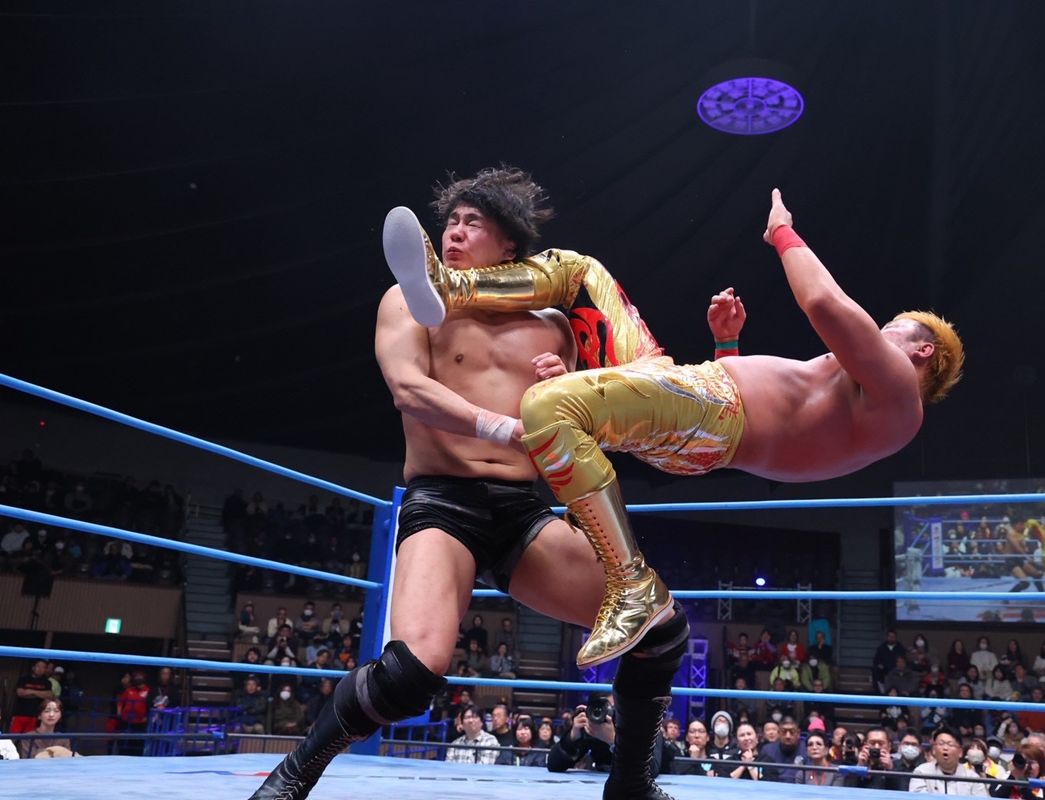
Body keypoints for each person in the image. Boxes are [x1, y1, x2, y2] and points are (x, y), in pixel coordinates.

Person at [250, 167, 692, 800]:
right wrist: (504, 427)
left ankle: (631, 785)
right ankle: (292, 777)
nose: (453, 233)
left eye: (471, 223)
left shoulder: (555, 325)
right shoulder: (413, 298)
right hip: (442, 500)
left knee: (660, 628)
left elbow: (584, 432)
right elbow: (408, 389)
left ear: (509, 244)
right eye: (450, 222)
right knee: (410, 674)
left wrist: (562, 388)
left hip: (522, 510)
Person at [392, 187, 963, 665]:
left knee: (548, 406)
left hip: (712, 412)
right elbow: (776, 422)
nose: (879, 332)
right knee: (580, 272)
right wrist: (727, 345)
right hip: (701, 409)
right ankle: (452, 288)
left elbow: (823, 304)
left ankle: (629, 584)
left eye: (892, 328)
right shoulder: (869, 404)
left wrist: (783, 233)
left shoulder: (897, 396)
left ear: (923, 351)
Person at [910, 728, 990, 795]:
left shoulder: (972, 778)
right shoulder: (921, 772)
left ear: (960, 752)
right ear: (933, 750)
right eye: (941, 744)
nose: (945, 748)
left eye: (950, 744)